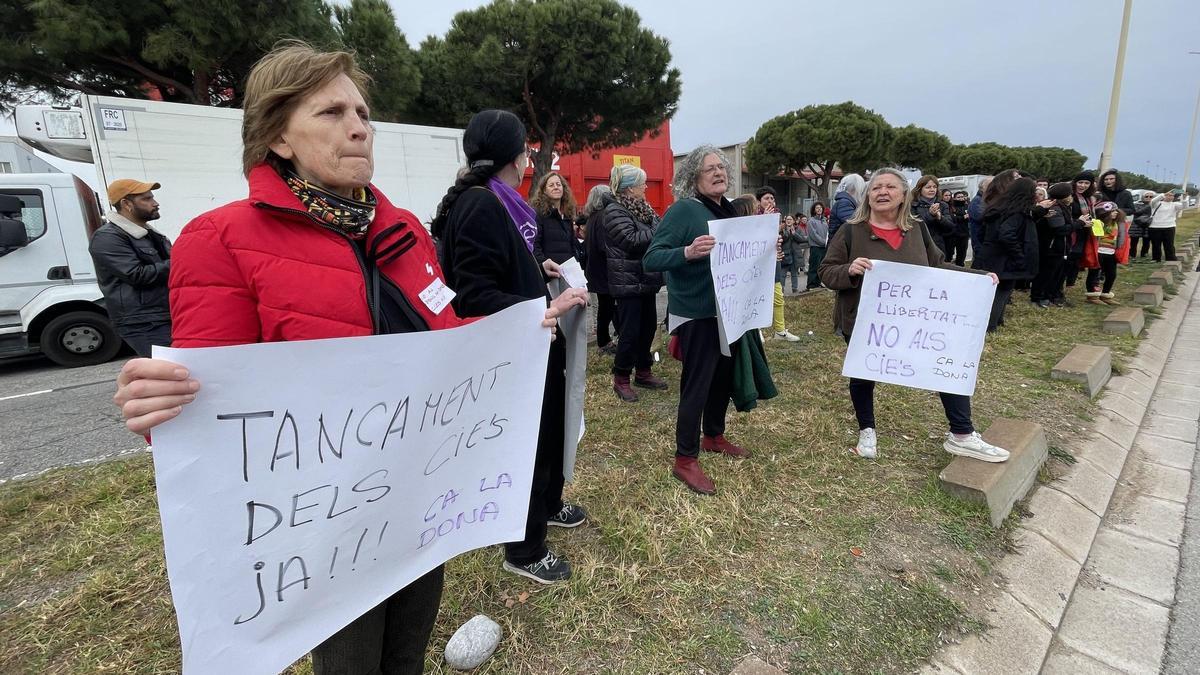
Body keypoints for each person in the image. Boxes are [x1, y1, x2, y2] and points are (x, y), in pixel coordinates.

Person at [110, 44, 580, 674]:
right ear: (277, 137)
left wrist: (518, 330)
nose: (359, 126)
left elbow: (447, 339)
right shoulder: (221, 239)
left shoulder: (406, 232)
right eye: (331, 113)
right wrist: (161, 407)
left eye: (362, 112)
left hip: (416, 494)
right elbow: (214, 405)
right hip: (327, 526)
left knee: (408, 648)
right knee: (353, 660)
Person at [432, 109, 589, 584]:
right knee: (530, 448)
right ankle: (524, 549)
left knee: (549, 435)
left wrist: (537, 270)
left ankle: (547, 505)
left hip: (532, 343)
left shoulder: (498, 202)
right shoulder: (481, 204)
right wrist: (548, 308)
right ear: (514, 157)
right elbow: (473, 295)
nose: (527, 162)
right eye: (524, 152)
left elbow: (500, 269)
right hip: (513, 352)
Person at [818, 167, 1007, 463]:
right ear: (867, 195)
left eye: (890, 187)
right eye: (876, 187)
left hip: (916, 322)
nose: (882, 192)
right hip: (866, 323)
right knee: (864, 375)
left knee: (944, 367)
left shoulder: (917, 229)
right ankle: (867, 430)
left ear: (904, 194)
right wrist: (849, 270)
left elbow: (937, 266)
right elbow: (826, 271)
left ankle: (962, 433)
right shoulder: (851, 230)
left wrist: (978, 277)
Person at [644, 145, 776, 495]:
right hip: (697, 313)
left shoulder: (727, 209)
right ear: (693, 177)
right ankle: (685, 458)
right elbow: (651, 258)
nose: (719, 172)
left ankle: (714, 435)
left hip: (729, 311)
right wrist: (687, 252)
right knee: (697, 384)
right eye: (710, 169)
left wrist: (767, 251)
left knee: (722, 377)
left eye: (721, 167)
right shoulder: (684, 210)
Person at [602, 164, 667, 401]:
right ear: (629, 188)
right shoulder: (614, 211)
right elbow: (630, 240)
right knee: (629, 333)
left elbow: (655, 228)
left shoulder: (644, 208)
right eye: (642, 184)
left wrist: (659, 228)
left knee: (648, 328)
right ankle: (621, 377)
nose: (645, 187)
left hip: (645, 279)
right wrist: (660, 230)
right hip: (627, 282)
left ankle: (643, 371)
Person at [88, 179, 172, 357]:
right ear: (127, 204)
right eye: (147, 199)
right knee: (169, 369)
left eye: (152, 197)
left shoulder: (151, 235)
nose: (155, 203)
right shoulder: (107, 237)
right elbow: (136, 275)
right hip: (143, 321)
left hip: (164, 314)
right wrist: (181, 261)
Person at [973, 177, 1040, 329]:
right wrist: (1019, 255)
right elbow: (1007, 234)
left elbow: (982, 233)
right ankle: (991, 325)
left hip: (990, 255)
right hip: (1004, 259)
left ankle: (997, 321)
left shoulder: (997, 208)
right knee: (1001, 292)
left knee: (996, 292)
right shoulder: (1017, 213)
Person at [756, 186, 800, 341]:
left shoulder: (777, 217)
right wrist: (765, 220)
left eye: (772, 198)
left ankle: (780, 331)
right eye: (766, 198)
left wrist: (779, 249)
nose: (770, 201)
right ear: (759, 201)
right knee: (757, 297)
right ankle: (756, 330)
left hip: (774, 261)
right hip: (758, 264)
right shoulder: (753, 217)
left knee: (778, 296)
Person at [583, 185, 618, 354]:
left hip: (596, 269)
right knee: (608, 307)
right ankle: (604, 342)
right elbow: (605, 246)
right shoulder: (603, 216)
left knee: (606, 306)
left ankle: (605, 340)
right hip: (605, 270)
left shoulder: (592, 217)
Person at [1030, 182, 1076, 308]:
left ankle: (1047, 296)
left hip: (1058, 246)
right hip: (1051, 246)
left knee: (1054, 274)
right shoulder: (1055, 208)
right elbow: (1059, 229)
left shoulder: (1064, 207)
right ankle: (1038, 297)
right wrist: (1079, 224)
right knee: (1046, 273)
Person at [530, 171, 580, 265]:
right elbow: (535, 245)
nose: (556, 187)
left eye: (558, 184)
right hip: (550, 271)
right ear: (544, 191)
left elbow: (572, 246)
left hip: (568, 270)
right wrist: (544, 265)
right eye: (551, 185)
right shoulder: (539, 214)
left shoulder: (567, 215)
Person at [1083, 201, 1127, 305]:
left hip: (1111, 252)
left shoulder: (1117, 223)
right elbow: (1095, 235)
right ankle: (1092, 295)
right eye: (1113, 211)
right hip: (1098, 251)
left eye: (1116, 211)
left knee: (1111, 274)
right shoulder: (1098, 222)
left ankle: (1106, 294)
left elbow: (1120, 236)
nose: (1116, 213)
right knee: (1094, 273)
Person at [1065, 171, 1097, 289]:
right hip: (1071, 230)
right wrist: (1080, 221)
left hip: (1083, 232)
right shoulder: (1069, 196)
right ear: (1075, 182)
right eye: (1080, 182)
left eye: (1086, 183)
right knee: (1070, 256)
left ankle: (1070, 282)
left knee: (1077, 257)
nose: (1083, 185)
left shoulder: (1088, 198)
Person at [910, 175, 955, 255]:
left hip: (938, 247)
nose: (932, 189)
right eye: (928, 187)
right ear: (920, 189)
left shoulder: (943, 205)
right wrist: (930, 215)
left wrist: (940, 218)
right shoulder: (912, 205)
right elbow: (914, 227)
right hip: (919, 246)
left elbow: (950, 227)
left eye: (934, 187)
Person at [1148, 191, 1184, 262]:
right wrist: (1163, 194)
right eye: (1168, 195)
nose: (1170, 197)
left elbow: (1184, 206)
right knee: (1156, 244)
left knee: (1169, 244)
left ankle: (1170, 258)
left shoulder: (1174, 204)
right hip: (1155, 227)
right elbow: (1153, 201)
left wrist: (1185, 198)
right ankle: (1156, 258)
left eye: (1172, 195)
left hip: (1169, 226)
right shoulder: (1157, 203)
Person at [828, 173, 865, 238]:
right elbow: (855, 224)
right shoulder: (844, 203)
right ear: (855, 188)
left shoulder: (846, 201)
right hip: (840, 243)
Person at [780, 214, 807, 293]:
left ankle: (794, 288)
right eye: (787, 219)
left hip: (795, 254)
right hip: (785, 254)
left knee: (794, 273)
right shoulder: (782, 229)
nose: (788, 221)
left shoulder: (798, 229)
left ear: (794, 221)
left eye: (790, 219)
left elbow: (802, 239)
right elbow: (781, 240)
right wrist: (787, 233)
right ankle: (781, 288)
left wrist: (794, 234)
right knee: (783, 273)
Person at [806, 202, 830, 289]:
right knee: (814, 266)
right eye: (817, 208)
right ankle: (811, 285)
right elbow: (814, 235)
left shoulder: (824, 221)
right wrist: (823, 242)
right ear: (814, 210)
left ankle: (818, 282)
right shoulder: (811, 221)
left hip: (824, 247)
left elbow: (827, 233)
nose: (819, 209)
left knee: (821, 266)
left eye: (820, 208)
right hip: (816, 247)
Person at [947, 190, 972, 266]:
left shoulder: (967, 206)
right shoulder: (951, 207)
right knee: (950, 253)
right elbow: (952, 218)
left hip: (964, 233)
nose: (961, 198)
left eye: (962, 197)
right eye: (958, 197)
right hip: (953, 234)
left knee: (962, 253)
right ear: (954, 198)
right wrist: (963, 217)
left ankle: (960, 266)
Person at [967, 176, 991, 253]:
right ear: (982, 188)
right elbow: (981, 217)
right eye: (989, 185)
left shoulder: (987, 200)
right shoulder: (977, 201)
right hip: (980, 243)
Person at [1130, 191, 1154, 261]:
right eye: (1146, 196)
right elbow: (1136, 212)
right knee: (1134, 242)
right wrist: (1148, 206)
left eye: (1151, 197)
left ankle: (1144, 255)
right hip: (1136, 225)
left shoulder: (1155, 205)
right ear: (1142, 197)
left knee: (1146, 242)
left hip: (1147, 225)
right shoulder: (1136, 204)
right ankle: (1132, 255)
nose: (1148, 198)